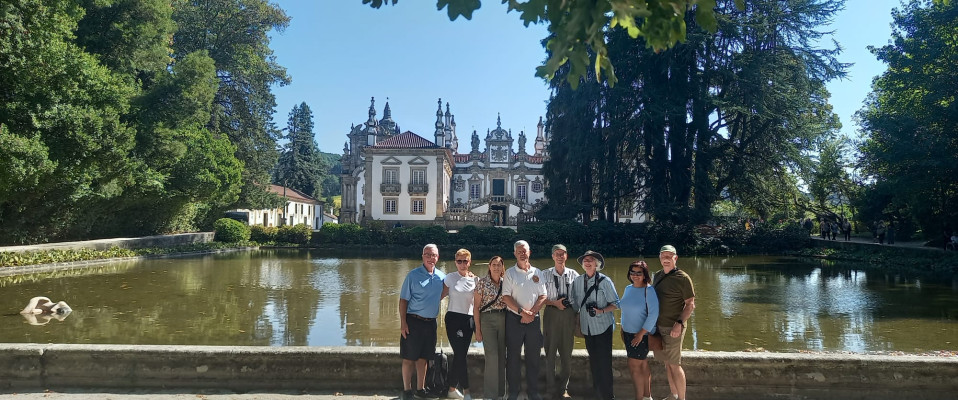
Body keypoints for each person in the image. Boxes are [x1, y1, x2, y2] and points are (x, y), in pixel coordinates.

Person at [570, 250, 619, 400]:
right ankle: (597, 393)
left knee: (604, 363)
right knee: (594, 362)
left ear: (597, 264)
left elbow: (616, 304)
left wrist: (601, 310)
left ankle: (608, 395)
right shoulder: (577, 281)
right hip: (587, 328)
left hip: (603, 326)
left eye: (591, 260)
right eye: (585, 260)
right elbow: (574, 303)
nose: (587, 262)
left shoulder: (605, 281)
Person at [399, 244, 447, 400]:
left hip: (430, 323)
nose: (430, 258)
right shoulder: (413, 276)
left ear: (437, 257)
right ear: (422, 256)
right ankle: (407, 391)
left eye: (433, 255)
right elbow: (403, 300)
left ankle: (420, 389)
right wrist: (403, 323)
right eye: (427, 254)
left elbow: (448, 290)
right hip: (413, 322)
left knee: (423, 358)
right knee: (408, 358)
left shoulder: (441, 276)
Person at [502, 240, 547, 400]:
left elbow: (543, 295)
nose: (522, 253)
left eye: (525, 250)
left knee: (533, 357)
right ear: (514, 253)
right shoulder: (509, 273)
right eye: (519, 251)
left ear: (530, 252)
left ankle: (533, 392)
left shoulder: (537, 272)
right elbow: (506, 297)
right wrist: (522, 312)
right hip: (514, 319)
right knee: (513, 357)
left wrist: (532, 312)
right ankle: (513, 391)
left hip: (533, 320)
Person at [653, 245, 695, 400]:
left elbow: (690, 304)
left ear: (675, 258)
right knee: (667, 364)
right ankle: (673, 395)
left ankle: (681, 398)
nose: (666, 259)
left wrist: (679, 323)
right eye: (663, 256)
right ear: (659, 258)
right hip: (659, 327)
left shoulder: (683, 278)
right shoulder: (657, 275)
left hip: (674, 327)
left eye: (669, 256)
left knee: (675, 365)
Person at [541, 244, 580, 400]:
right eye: (557, 254)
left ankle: (564, 388)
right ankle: (550, 388)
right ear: (552, 256)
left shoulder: (574, 274)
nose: (559, 256)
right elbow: (540, 298)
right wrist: (554, 303)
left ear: (566, 256)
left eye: (562, 254)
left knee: (566, 353)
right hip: (551, 314)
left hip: (569, 315)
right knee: (550, 353)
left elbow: (580, 296)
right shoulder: (544, 275)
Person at [619, 261, 659, 400]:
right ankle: (647, 397)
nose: (635, 275)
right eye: (632, 272)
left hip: (641, 335)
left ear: (645, 275)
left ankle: (639, 398)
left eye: (639, 273)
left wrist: (641, 334)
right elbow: (621, 305)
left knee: (634, 367)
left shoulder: (649, 290)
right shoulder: (628, 288)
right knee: (642, 365)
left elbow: (653, 314)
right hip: (628, 333)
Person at [445, 249, 478, 400]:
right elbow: (437, 295)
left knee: (461, 355)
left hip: (468, 320)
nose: (463, 264)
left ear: (470, 262)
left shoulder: (475, 280)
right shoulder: (449, 278)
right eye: (460, 261)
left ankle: (454, 390)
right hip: (453, 319)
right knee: (460, 354)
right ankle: (465, 391)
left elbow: (478, 305)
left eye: (465, 261)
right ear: (455, 262)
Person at [474, 256, 508, 400]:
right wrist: (478, 329)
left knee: (502, 356)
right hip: (487, 319)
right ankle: (490, 395)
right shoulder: (482, 283)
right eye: (493, 264)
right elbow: (475, 308)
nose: (496, 267)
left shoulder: (506, 282)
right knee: (492, 356)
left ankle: (501, 393)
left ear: (502, 267)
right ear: (489, 266)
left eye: (499, 265)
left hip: (504, 319)